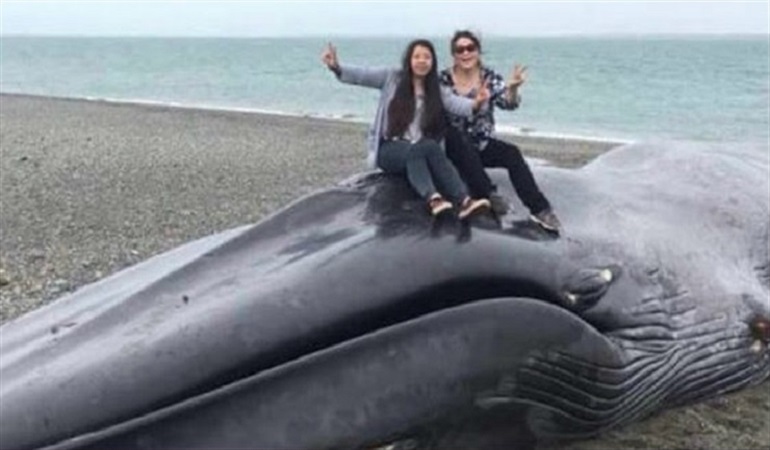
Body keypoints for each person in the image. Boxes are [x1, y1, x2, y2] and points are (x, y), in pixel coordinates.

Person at [322, 39, 491, 219]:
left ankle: (465, 201)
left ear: (432, 62)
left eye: (427, 57)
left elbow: (457, 104)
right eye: (417, 56)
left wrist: (477, 102)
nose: (422, 61)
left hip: (419, 147)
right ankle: (433, 199)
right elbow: (362, 75)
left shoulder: (435, 88)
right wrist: (336, 67)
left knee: (430, 146)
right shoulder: (392, 78)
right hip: (389, 149)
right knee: (417, 150)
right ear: (409, 60)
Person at [440, 30, 562, 233]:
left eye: (470, 48)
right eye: (460, 50)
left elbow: (508, 104)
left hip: (481, 144)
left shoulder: (488, 77)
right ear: (454, 54)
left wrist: (512, 88)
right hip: (454, 148)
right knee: (457, 139)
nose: (465, 53)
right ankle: (489, 194)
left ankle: (540, 209)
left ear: (478, 51)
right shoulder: (443, 79)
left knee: (512, 153)